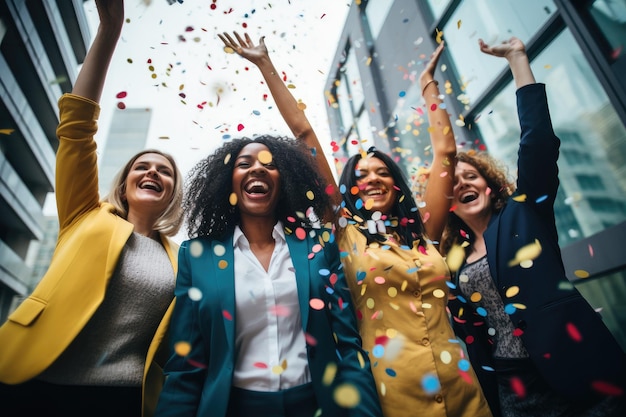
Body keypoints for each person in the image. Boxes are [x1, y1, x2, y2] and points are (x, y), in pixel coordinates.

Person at [219, 32, 493, 417]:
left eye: (382, 172)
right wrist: (265, 64)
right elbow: (303, 135)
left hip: (463, 389)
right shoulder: (343, 231)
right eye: (362, 174)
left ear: (397, 186)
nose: (373, 179)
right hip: (390, 392)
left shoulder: (423, 233)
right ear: (348, 188)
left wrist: (428, 86)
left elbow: (445, 152)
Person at [153, 34, 382, 417]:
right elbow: (185, 364)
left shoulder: (318, 246)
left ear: (287, 180)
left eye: (269, 163)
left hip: (318, 405)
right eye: (244, 164)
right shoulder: (197, 256)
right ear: (227, 183)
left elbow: (347, 344)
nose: (257, 168)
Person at [0, 1, 184, 416]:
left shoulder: (180, 259)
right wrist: (110, 29)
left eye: (165, 171)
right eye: (143, 166)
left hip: (120, 399)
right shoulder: (85, 212)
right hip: (32, 381)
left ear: (173, 193)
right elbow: (78, 128)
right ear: (125, 181)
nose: (153, 172)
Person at [441, 37, 626, 417]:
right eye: (453, 182)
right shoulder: (450, 256)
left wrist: (517, 60)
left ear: (489, 185)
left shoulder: (524, 214)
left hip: (575, 368)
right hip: (513, 387)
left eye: (470, 176)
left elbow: (538, 142)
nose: (462, 184)